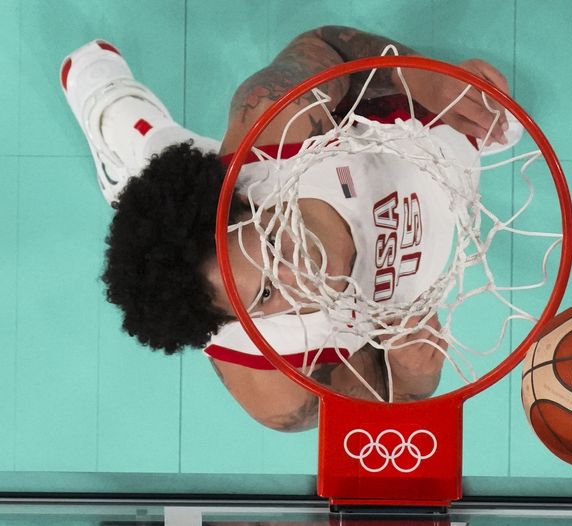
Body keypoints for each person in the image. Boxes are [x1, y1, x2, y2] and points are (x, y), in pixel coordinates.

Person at [61, 26, 511, 431]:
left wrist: (420, 77)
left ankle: (120, 117)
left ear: (248, 203)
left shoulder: (276, 126)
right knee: (147, 150)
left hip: (311, 159)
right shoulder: (277, 380)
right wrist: (416, 372)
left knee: (155, 146)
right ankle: (121, 126)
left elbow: (327, 45)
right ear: (238, 323)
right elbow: (384, 405)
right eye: (266, 295)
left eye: (273, 242)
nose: (298, 270)